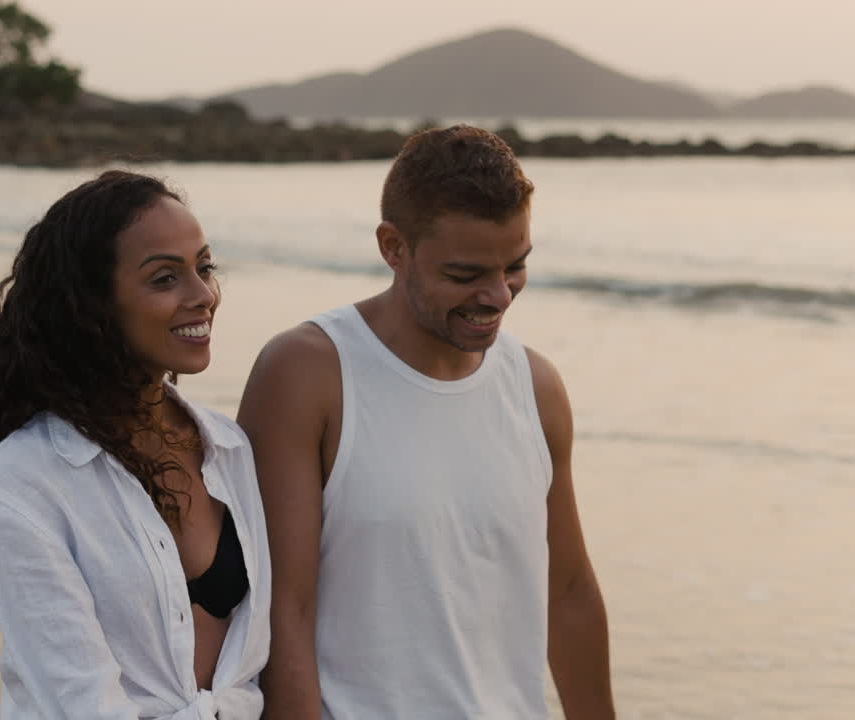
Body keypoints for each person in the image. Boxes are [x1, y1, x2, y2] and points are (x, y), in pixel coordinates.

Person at [238, 126, 615, 719]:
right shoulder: (308, 374)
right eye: (465, 276)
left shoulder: (535, 387)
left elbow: (567, 593)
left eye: (515, 266)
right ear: (394, 247)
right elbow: (283, 612)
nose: (498, 297)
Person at [0, 170, 270, 719]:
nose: (204, 296)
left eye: (204, 268)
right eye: (165, 278)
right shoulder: (26, 479)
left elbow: (254, 664)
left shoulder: (230, 449)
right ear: (91, 305)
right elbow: (80, 699)